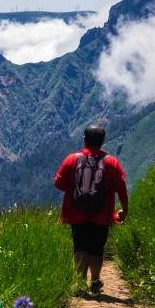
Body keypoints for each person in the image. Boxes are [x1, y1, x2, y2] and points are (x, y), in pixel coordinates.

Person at [53, 125, 128, 294]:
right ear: (102, 141)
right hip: (102, 213)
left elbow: (59, 183)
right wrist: (124, 209)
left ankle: (80, 282)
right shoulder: (112, 162)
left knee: (80, 246)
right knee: (97, 247)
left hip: (76, 212)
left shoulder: (72, 159)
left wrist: (73, 188)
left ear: (85, 139)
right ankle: (94, 280)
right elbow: (121, 188)